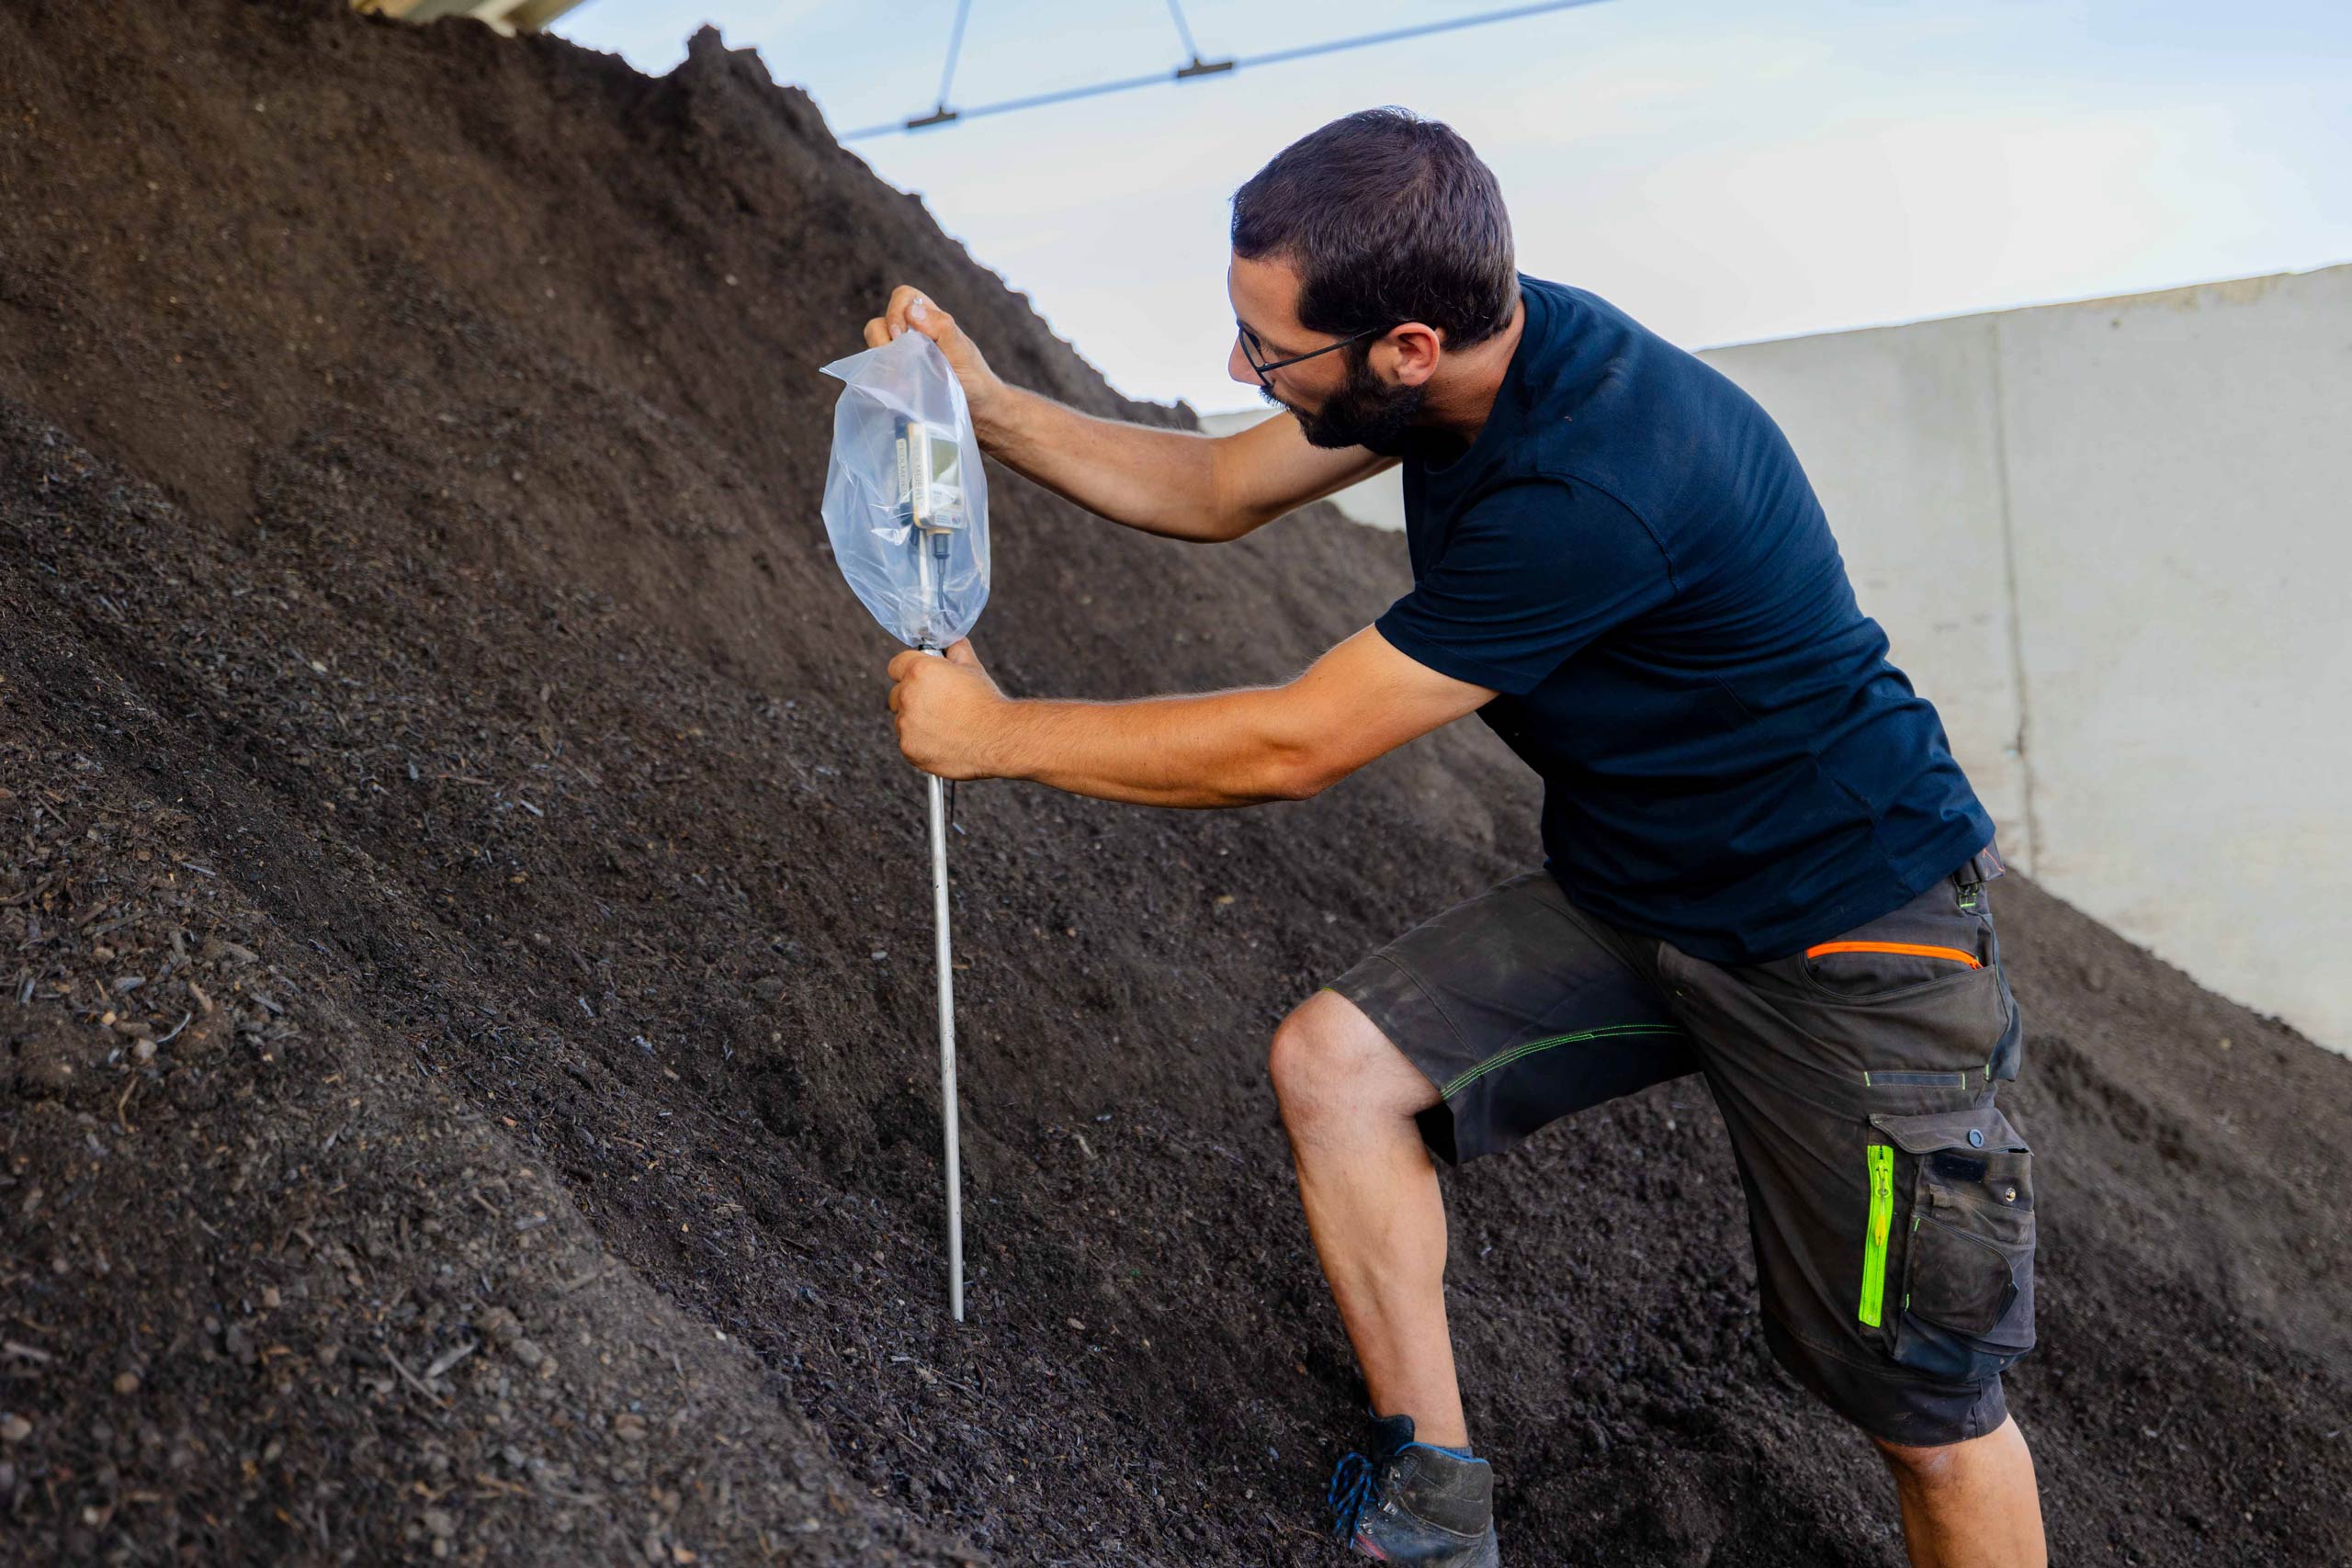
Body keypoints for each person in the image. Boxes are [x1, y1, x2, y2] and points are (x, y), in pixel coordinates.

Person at [868, 107, 2046, 1568]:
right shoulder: (1472, 368)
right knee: (1339, 1068)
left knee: (1926, 1415)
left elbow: (1294, 745)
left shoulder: (1592, 486)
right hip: (1639, 891)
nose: (1241, 372)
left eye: (1270, 351)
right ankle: (1432, 1512)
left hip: (1851, 935)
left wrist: (1000, 736)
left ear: (1408, 347)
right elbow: (1217, 488)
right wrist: (988, 407)